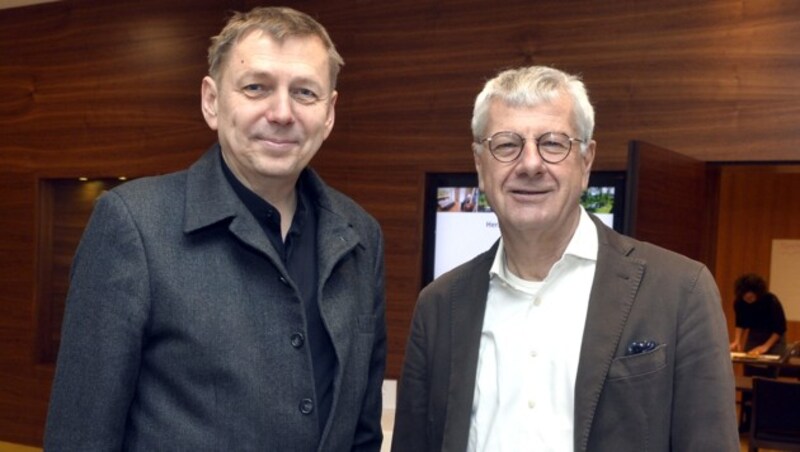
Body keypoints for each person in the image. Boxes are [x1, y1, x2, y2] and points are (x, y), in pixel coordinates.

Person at [44, 7, 386, 451]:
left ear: (329, 113)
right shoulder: (133, 225)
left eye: (304, 92)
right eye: (256, 87)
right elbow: (80, 435)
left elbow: (362, 429)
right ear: (212, 101)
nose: (282, 112)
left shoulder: (361, 235)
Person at [391, 66, 738, 451]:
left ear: (586, 161)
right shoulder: (439, 306)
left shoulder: (679, 292)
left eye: (553, 143)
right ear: (479, 164)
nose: (530, 164)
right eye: (506, 145)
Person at [730, 273, 787, 357]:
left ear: (757, 293)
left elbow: (780, 328)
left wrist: (766, 346)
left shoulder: (771, 301)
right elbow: (740, 322)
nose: (748, 299)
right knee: (749, 360)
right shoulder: (739, 302)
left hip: (774, 337)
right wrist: (737, 340)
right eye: (745, 297)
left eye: (751, 297)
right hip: (754, 334)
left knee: (772, 363)